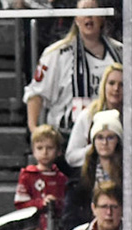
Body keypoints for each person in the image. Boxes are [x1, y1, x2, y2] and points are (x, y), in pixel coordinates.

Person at [23, 0, 121, 136]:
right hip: (66, 135)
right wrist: (35, 131)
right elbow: (36, 94)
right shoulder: (56, 54)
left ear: (102, 17)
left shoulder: (121, 52)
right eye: (83, 12)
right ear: (76, 19)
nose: (88, 17)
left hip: (111, 135)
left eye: (93, 11)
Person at [58, 107, 122, 230]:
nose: (104, 143)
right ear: (93, 142)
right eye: (100, 138)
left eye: (110, 138)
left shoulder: (129, 176)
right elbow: (70, 217)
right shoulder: (80, 178)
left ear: (118, 141)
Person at [65, 59, 123, 170]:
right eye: (111, 83)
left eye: (122, 84)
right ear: (103, 85)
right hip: (92, 175)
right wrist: (97, 149)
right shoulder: (87, 115)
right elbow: (71, 156)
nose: (116, 89)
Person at [16, 123, 72, 221]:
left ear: (58, 151)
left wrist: (56, 203)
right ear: (33, 151)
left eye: (50, 148)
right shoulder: (27, 176)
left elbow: (66, 205)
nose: (45, 152)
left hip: (56, 227)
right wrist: (41, 203)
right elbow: (20, 204)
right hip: (33, 228)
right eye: (40, 148)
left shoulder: (62, 178)